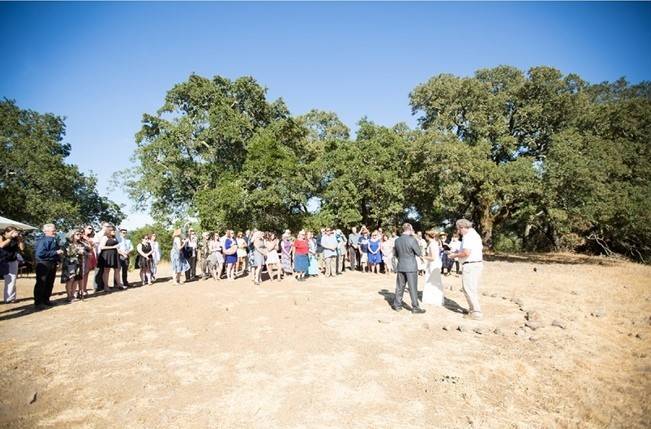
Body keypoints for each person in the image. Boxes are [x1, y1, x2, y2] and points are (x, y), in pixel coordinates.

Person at [448, 219, 484, 320]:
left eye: (459, 229)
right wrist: (458, 251)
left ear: (462, 227)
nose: (458, 232)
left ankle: (476, 312)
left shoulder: (468, 236)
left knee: (468, 288)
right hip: (476, 263)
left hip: (470, 265)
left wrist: (454, 255)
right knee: (471, 287)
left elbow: (466, 253)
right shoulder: (475, 234)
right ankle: (473, 309)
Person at [392, 223, 425, 314]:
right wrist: (416, 238)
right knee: (413, 288)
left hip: (401, 265)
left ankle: (397, 305)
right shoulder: (412, 240)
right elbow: (418, 252)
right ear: (410, 229)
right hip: (411, 267)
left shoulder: (397, 240)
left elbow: (396, 254)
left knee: (399, 286)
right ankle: (415, 307)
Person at [33, 224, 63, 308]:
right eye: (53, 230)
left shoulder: (53, 239)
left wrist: (58, 260)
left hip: (52, 263)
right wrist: (55, 252)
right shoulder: (43, 240)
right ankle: (38, 303)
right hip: (43, 263)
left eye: (55, 230)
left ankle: (46, 300)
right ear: (46, 231)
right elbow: (40, 253)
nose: (55, 232)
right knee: (41, 283)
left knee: (50, 282)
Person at [61, 229, 90, 302]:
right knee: (70, 279)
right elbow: (68, 253)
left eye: (80, 234)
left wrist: (85, 251)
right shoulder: (67, 244)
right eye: (77, 234)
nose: (79, 235)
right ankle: (69, 296)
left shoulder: (81, 243)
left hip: (78, 263)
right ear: (72, 235)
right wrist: (77, 251)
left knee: (76, 279)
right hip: (70, 264)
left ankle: (73, 294)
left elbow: (88, 250)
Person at [1, 227, 24, 303]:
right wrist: (10, 238)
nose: (14, 233)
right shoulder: (1, 236)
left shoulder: (16, 238)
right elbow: (1, 245)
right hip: (4, 260)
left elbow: (22, 248)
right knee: (9, 279)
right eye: (12, 232)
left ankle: (11, 298)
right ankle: (8, 298)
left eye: (15, 232)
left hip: (13, 260)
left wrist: (20, 239)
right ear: (6, 232)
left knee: (13, 280)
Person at [421, 230, 444, 306]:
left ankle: (433, 299)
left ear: (427, 236)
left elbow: (433, 257)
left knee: (432, 281)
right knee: (431, 280)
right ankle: (431, 298)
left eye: (425, 235)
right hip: (432, 264)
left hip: (433, 265)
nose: (425, 236)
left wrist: (423, 257)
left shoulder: (432, 244)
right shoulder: (432, 243)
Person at [98, 226, 124, 291]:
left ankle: (119, 284)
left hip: (115, 255)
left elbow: (117, 248)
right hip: (106, 255)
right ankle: (106, 287)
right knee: (106, 270)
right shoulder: (105, 237)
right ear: (109, 231)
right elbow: (102, 247)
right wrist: (112, 247)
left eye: (114, 230)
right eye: (113, 231)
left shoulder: (115, 238)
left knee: (117, 270)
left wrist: (123, 253)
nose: (114, 232)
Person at [80, 225, 96, 298]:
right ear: (84, 229)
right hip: (83, 256)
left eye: (92, 229)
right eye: (89, 228)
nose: (91, 230)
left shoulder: (90, 238)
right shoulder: (80, 237)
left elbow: (92, 247)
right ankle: (81, 290)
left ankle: (84, 289)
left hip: (90, 256)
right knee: (82, 273)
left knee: (87, 273)